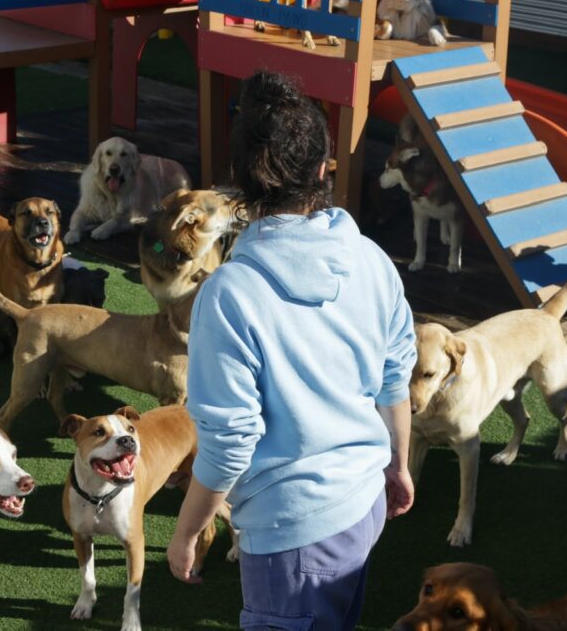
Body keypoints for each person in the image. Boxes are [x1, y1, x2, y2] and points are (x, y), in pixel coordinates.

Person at [167, 70, 416, 630]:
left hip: (291, 534)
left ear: (238, 182)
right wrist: (398, 464)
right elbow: (394, 374)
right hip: (364, 501)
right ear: (324, 169)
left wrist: (186, 531)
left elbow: (230, 441)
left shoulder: (228, 294)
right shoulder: (372, 259)